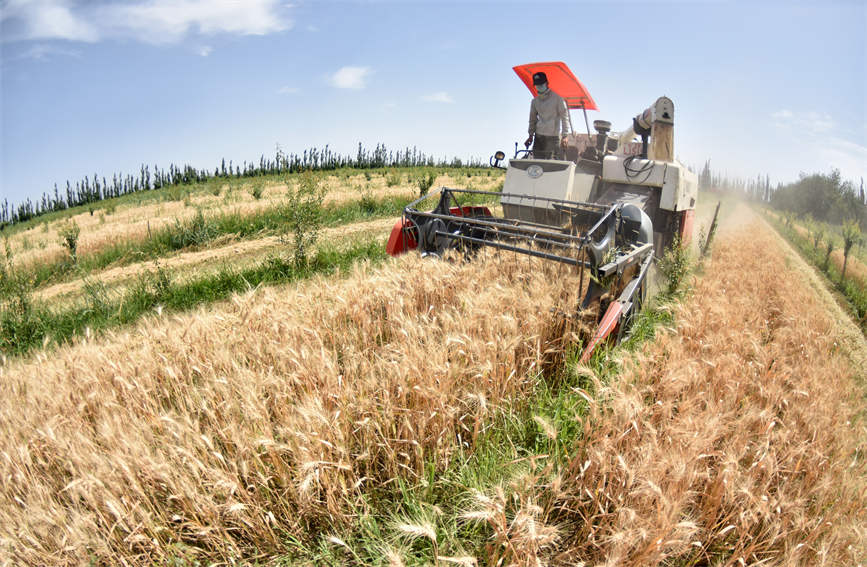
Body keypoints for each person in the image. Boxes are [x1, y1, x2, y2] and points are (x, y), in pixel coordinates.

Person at [524, 72, 572, 159]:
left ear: (547, 83)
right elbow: (532, 120)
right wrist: (530, 135)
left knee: (551, 165)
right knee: (537, 165)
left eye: (541, 84)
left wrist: (565, 136)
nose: (539, 87)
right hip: (538, 138)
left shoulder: (558, 99)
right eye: (537, 85)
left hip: (553, 137)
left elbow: (565, 118)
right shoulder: (535, 101)